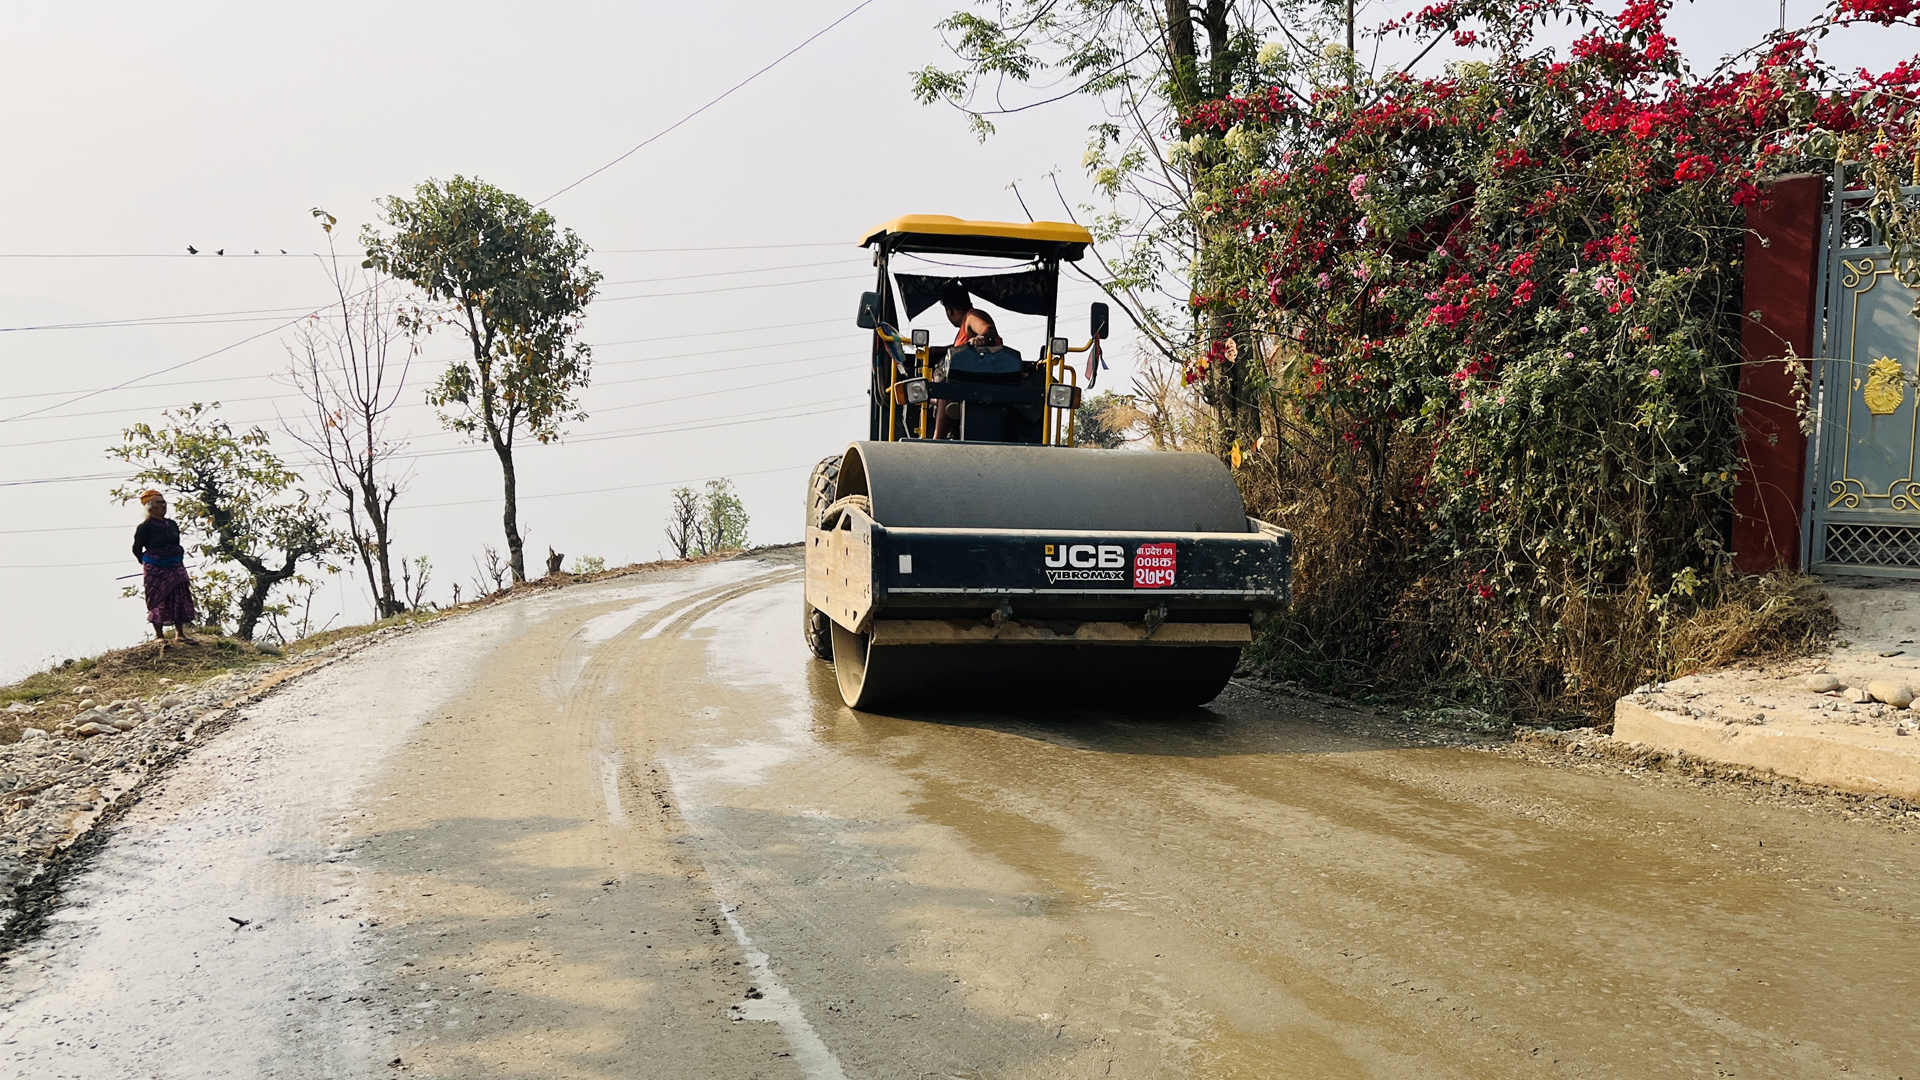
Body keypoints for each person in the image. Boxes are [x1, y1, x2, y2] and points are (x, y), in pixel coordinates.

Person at [933, 283, 1002, 438]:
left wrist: (981, 337)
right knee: (929, 392)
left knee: (942, 380)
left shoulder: (972, 317)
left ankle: (938, 436)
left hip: (974, 382)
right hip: (970, 380)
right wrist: (934, 351)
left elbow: (988, 329)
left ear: (949, 310)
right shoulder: (964, 328)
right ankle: (946, 409)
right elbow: (958, 348)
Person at [132, 489, 196, 642]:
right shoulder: (145, 527)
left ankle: (180, 634)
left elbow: (176, 542)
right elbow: (136, 548)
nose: (162, 506)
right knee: (158, 597)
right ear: (149, 507)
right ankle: (159, 635)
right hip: (155, 566)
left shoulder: (172, 524)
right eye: (158, 503)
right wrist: (148, 563)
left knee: (179, 593)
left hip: (175, 564)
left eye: (163, 502)